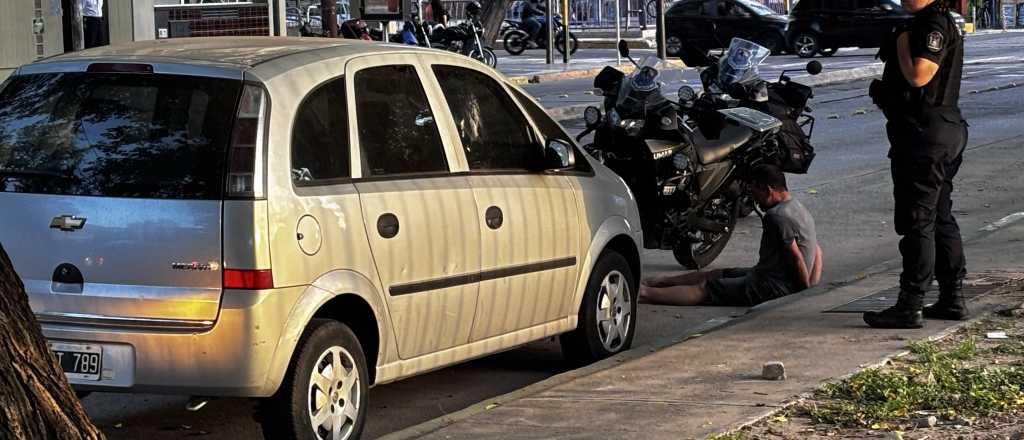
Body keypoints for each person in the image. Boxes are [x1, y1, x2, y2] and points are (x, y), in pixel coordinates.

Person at [866, 0, 968, 329]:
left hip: (926, 135)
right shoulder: (927, 20)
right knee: (938, 217)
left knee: (917, 220)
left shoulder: (931, 23)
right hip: (938, 131)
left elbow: (919, 76)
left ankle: (910, 304)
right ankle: (952, 298)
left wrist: (900, 43)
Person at [639, 165, 823, 307]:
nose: (753, 199)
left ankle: (644, 293)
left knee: (707, 289)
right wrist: (813, 282)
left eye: (754, 192)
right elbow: (816, 251)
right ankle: (656, 282)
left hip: (772, 286)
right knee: (716, 274)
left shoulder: (777, 217)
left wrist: (805, 292)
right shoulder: (799, 208)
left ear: (768, 190)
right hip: (767, 275)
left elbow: (797, 258)